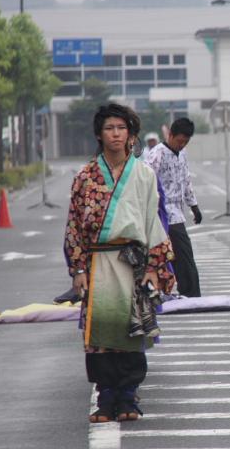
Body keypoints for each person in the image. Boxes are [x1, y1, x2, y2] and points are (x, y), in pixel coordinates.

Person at [64, 103, 175, 423]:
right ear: (99, 135)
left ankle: (128, 394)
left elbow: (153, 221)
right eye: (109, 128)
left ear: (131, 135)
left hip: (133, 263)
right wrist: (79, 270)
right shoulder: (85, 177)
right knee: (99, 334)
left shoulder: (142, 174)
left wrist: (155, 266)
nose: (115, 134)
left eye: (121, 128)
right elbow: (74, 225)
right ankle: (106, 396)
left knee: (131, 330)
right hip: (97, 262)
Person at [145, 118, 202, 297]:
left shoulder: (182, 154)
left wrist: (194, 206)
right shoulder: (157, 154)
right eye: (179, 141)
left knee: (180, 256)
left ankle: (188, 293)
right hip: (162, 213)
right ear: (170, 135)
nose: (181, 145)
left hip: (177, 213)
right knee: (176, 255)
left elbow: (186, 180)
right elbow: (145, 181)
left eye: (185, 142)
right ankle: (189, 294)